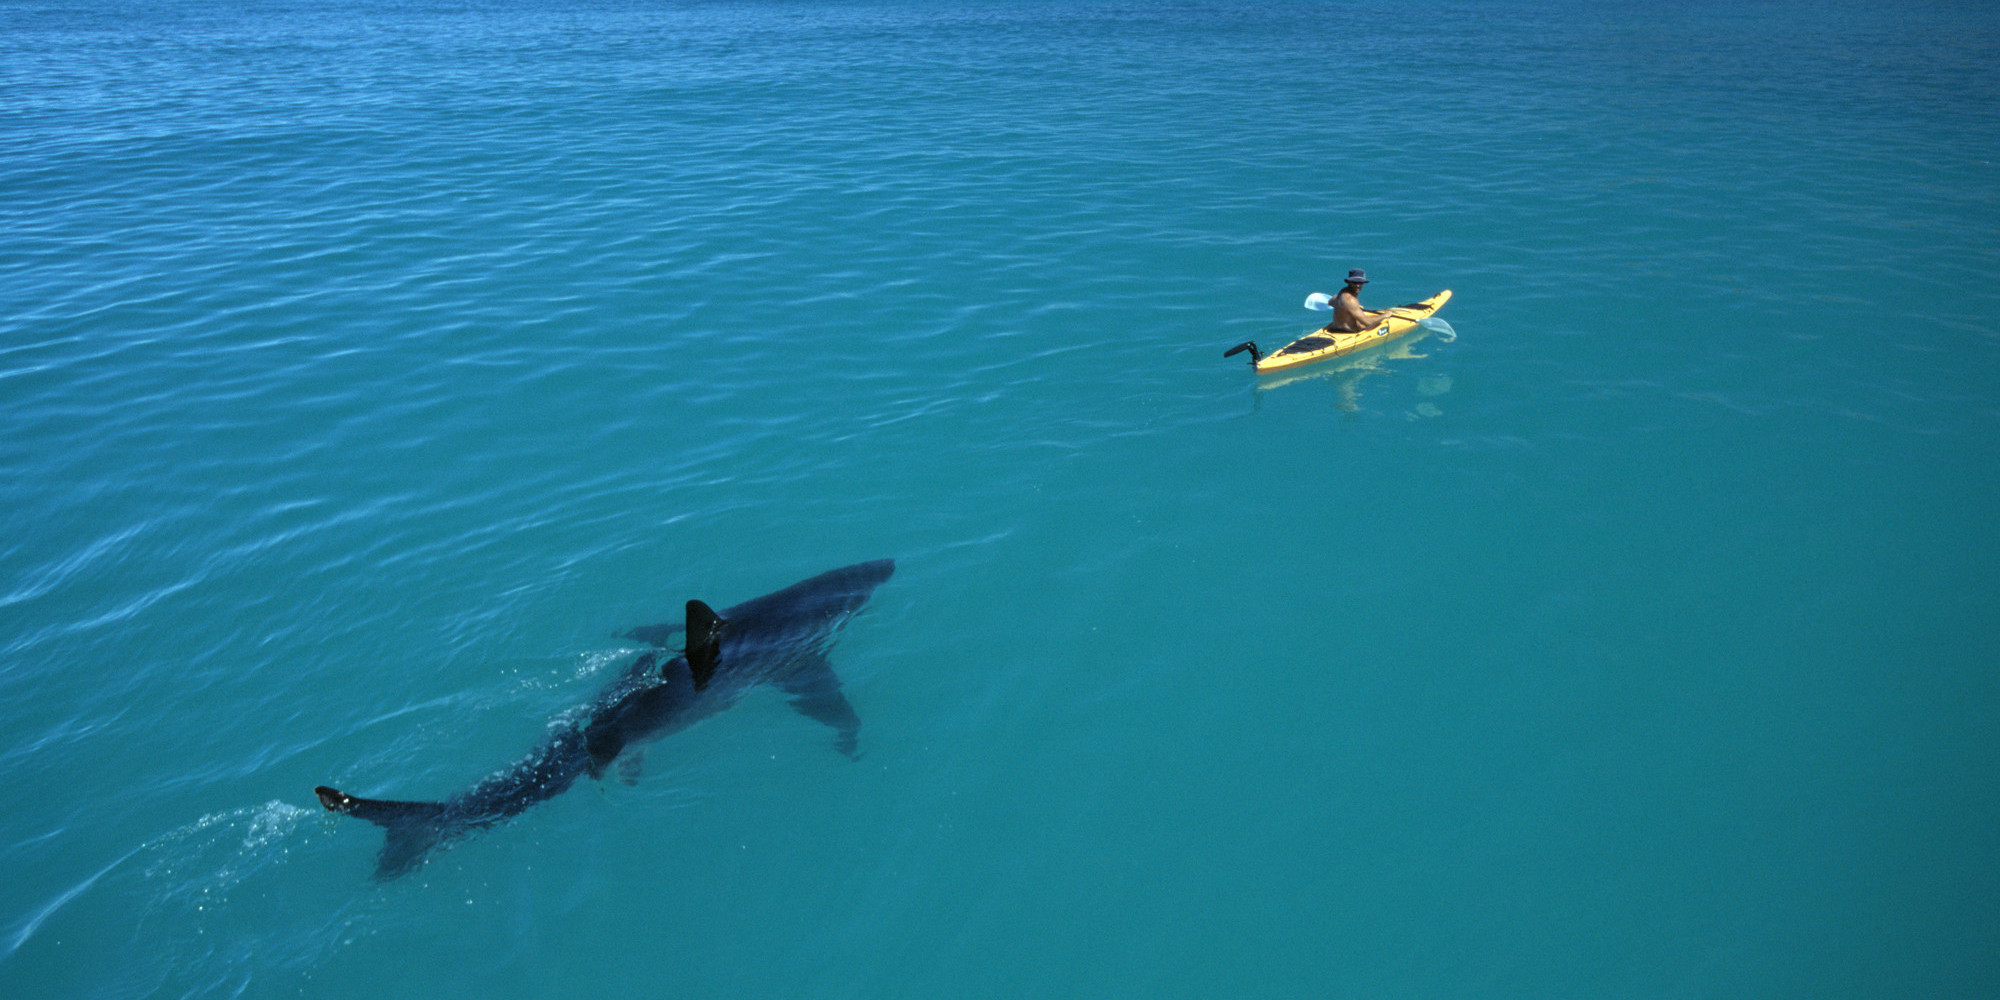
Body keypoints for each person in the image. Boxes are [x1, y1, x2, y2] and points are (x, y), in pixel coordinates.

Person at [1325, 268, 1391, 333]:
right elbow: (1368, 322)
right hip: (1348, 332)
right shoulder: (1350, 300)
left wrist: (1351, 308)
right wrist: (1384, 315)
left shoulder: (1342, 292)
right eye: (1354, 282)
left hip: (1335, 329)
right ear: (1349, 282)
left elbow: (1330, 302)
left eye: (1360, 283)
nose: (1358, 285)